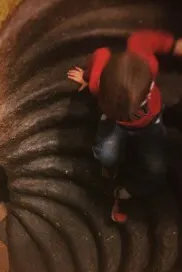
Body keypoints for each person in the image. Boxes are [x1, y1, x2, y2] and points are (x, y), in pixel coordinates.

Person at [67, 30, 182, 223]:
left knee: (156, 171)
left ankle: (124, 193)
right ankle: (111, 171)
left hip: (150, 124)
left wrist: (176, 46)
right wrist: (86, 77)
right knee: (106, 154)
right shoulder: (97, 83)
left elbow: (166, 44)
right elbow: (100, 54)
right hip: (115, 124)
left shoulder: (145, 57)